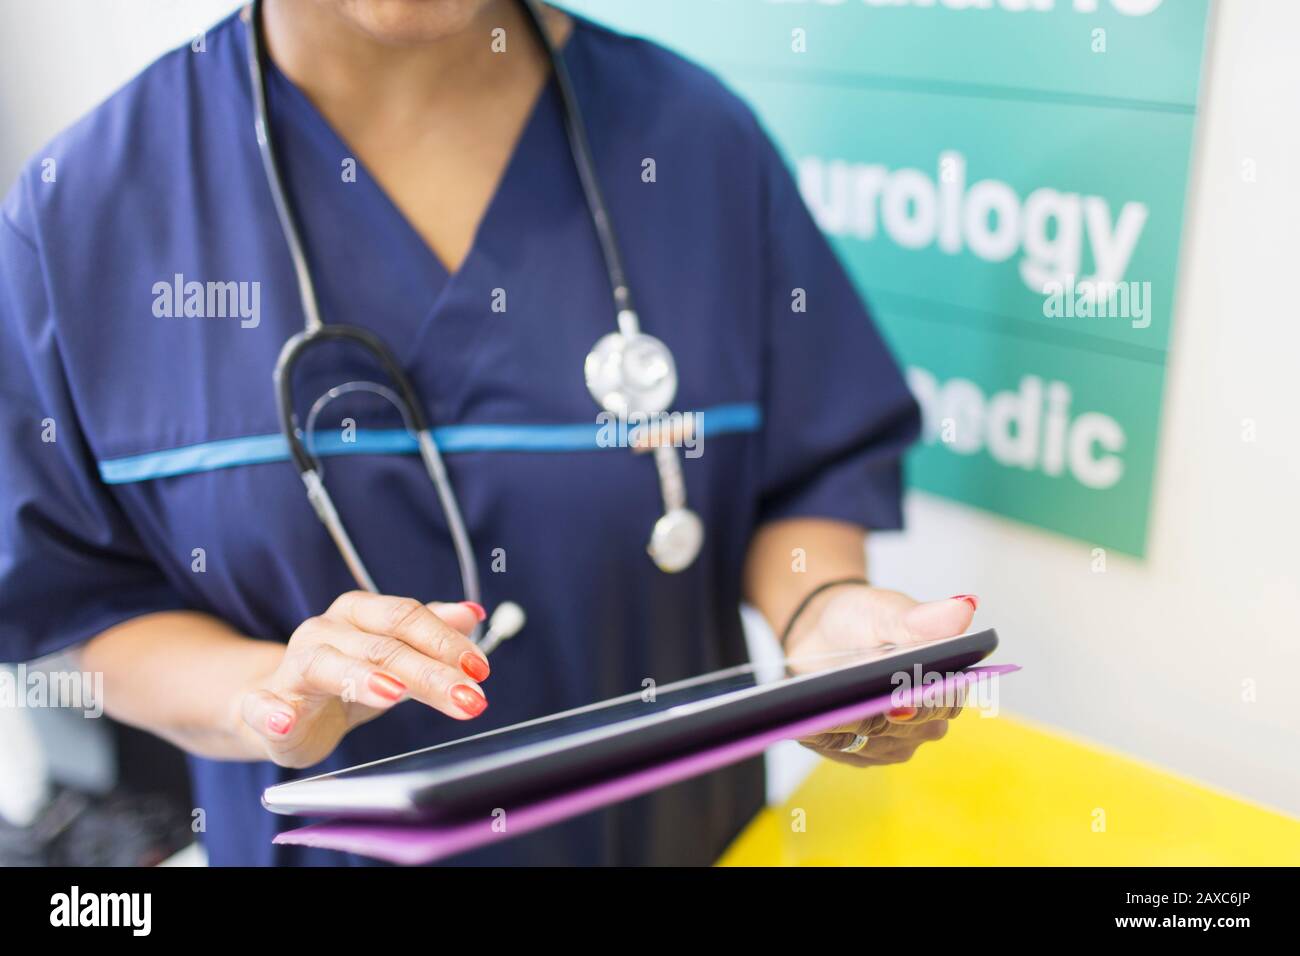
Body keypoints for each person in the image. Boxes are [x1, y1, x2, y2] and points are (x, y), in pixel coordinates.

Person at [0, 0, 976, 866]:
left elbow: (804, 481)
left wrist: (825, 622)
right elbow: (81, 602)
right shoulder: (88, 207)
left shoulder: (692, 142)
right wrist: (267, 693)